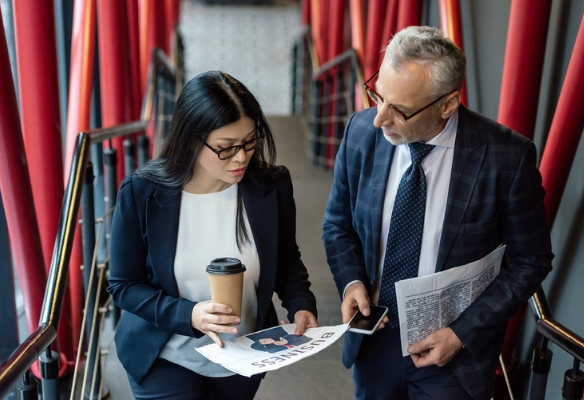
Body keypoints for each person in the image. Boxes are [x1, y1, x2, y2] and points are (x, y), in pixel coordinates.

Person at [322, 26, 553, 400]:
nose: (380, 118)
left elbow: (531, 260)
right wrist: (351, 282)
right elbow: (338, 225)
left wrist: (463, 333)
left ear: (447, 104)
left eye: (399, 109)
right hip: (375, 339)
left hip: (452, 356)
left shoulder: (506, 158)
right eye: (378, 95)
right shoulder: (360, 132)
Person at [108, 70, 319, 400]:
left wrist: (301, 304)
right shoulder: (142, 192)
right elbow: (123, 285)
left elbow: (286, 260)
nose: (241, 157)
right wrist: (189, 314)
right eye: (226, 147)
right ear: (191, 139)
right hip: (164, 354)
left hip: (242, 356)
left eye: (250, 142)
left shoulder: (271, 185)